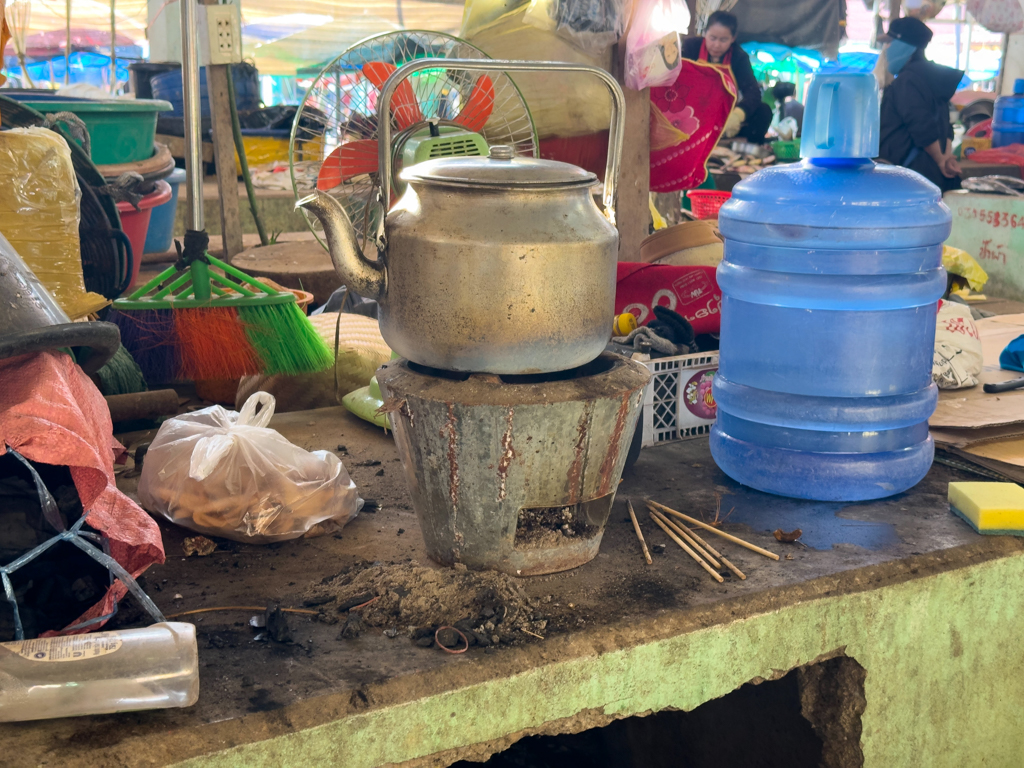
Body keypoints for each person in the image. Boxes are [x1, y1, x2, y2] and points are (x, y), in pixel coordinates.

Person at [878, 17, 964, 192]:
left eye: (891, 43)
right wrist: (945, 158)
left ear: (905, 45)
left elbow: (920, 123)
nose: (886, 50)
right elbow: (945, 125)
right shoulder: (932, 77)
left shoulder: (907, 80)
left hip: (908, 178)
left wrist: (941, 161)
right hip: (927, 174)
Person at [682, 11, 772, 143]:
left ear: (733, 38)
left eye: (723, 40)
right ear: (704, 33)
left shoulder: (739, 57)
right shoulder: (691, 47)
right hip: (692, 114)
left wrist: (738, 115)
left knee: (764, 111)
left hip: (724, 120)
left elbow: (753, 93)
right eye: (712, 38)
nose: (717, 45)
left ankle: (739, 145)